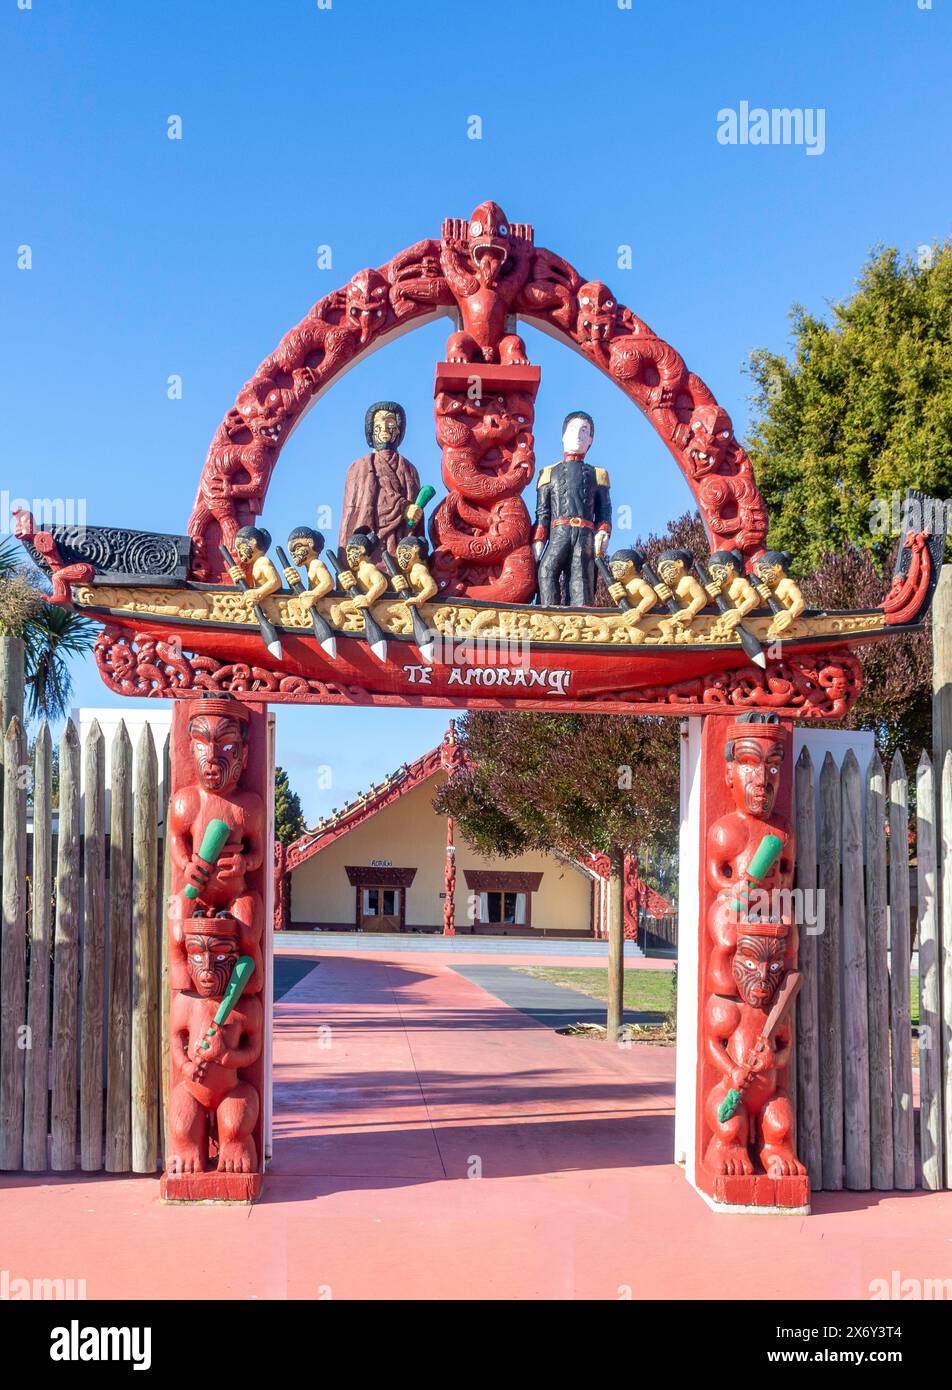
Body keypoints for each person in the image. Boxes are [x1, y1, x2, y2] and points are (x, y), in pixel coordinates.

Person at [532, 411, 611, 606]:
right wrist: (539, 539)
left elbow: (604, 510)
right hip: (559, 531)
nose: (578, 435)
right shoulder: (548, 473)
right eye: (573, 429)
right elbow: (543, 513)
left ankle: (580, 620)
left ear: (590, 439)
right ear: (563, 435)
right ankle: (547, 612)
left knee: (581, 577)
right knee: (546, 571)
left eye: (585, 431)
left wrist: (603, 531)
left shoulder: (598, 474)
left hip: (585, 534)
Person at [338, 401, 423, 561]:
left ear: (398, 429)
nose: (384, 427)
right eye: (378, 422)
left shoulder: (409, 469)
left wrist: (415, 513)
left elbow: (416, 513)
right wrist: (403, 507)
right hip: (370, 545)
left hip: (402, 545)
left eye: (390, 421)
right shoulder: (360, 466)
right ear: (370, 430)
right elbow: (352, 511)